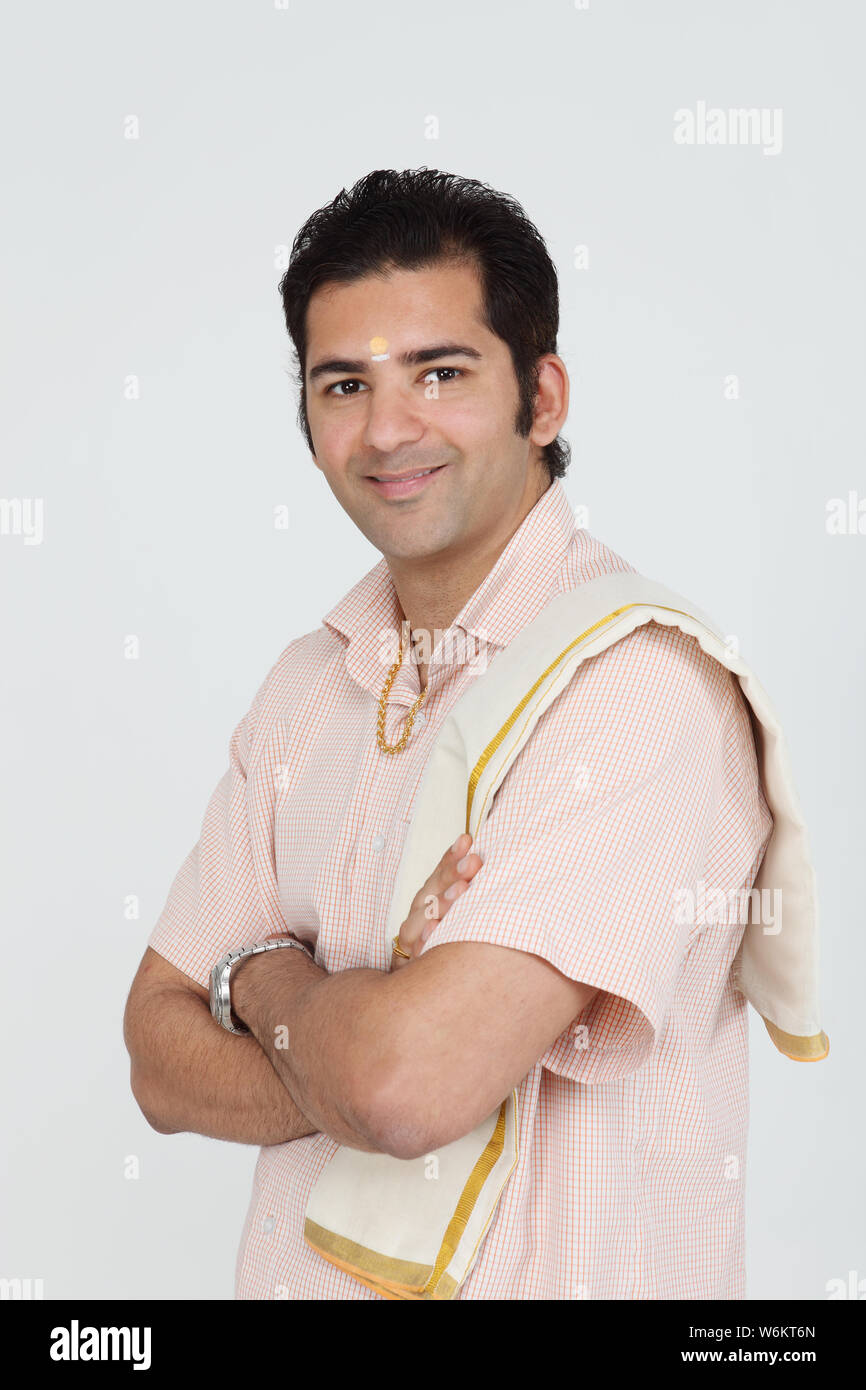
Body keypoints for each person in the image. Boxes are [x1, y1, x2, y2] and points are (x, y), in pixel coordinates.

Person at [123, 168, 772, 1299]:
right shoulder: (306, 683)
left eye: (439, 371)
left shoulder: (633, 686)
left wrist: (264, 982)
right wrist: (359, 1023)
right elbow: (155, 1063)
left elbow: (408, 1089)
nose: (385, 430)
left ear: (544, 396)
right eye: (342, 384)